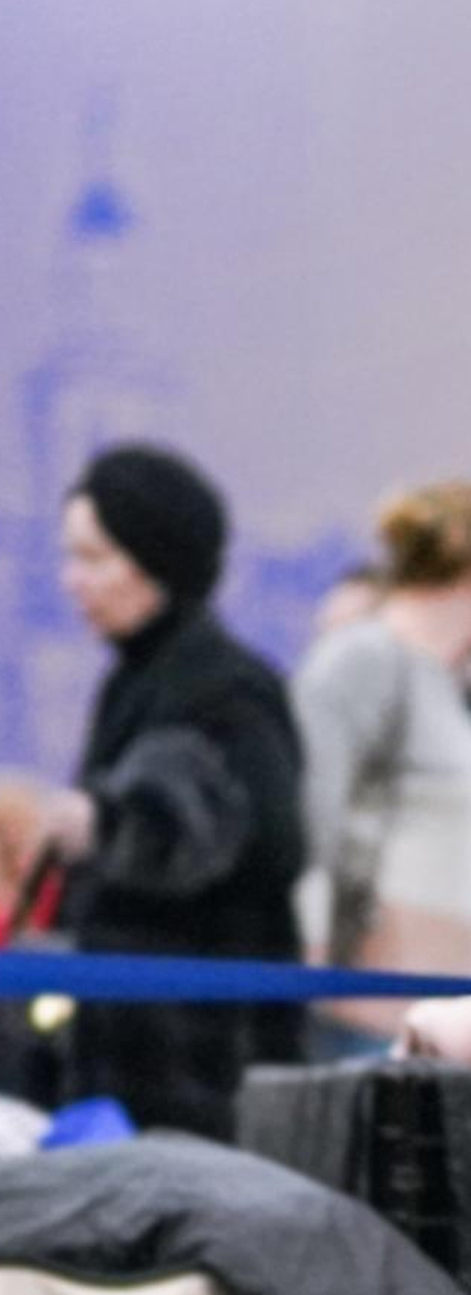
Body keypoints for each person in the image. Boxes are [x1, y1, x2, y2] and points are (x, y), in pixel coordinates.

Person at [4, 446, 307, 1137]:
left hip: (207, 1079)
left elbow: (267, 844)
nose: (71, 580)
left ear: (155, 560)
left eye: (93, 558)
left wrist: (101, 825)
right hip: (134, 1069)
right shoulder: (136, 681)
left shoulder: (226, 684)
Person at [292, 480, 471, 1033]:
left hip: (445, 1003)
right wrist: (331, 975)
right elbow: (313, 826)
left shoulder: (451, 686)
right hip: (372, 1006)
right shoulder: (360, 660)